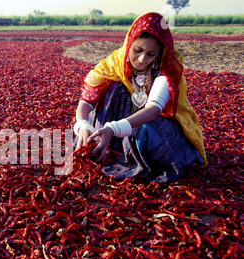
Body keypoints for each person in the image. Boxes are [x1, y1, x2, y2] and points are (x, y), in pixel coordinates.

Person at [73, 12, 207, 183]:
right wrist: (84, 125)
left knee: (147, 129)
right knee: (114, 88)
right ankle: (108, 147)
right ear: (129, 43)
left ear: (159, 53)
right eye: (138, 50)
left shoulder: (166, 68)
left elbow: (153, 110)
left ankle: (141, 158)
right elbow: (87, 101)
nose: (142, 59)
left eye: (151, 54)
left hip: (157, 123)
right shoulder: (114, 64)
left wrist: (113, 129)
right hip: (123, 123)